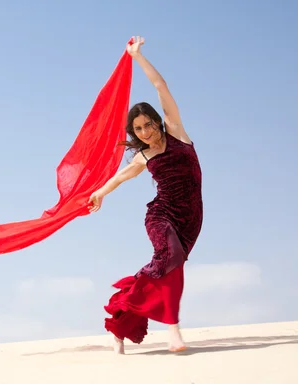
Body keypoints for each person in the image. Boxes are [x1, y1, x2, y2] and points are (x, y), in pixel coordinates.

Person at [88, 36, 203, 354]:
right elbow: (119, 177)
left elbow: (161, 86)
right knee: (171, 260)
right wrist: (99, 193)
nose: (144, 132)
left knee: (165, 269)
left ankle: (121, 314)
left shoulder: (177, 132)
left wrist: (137, 56)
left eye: (148, 124)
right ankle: (174, 331)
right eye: (137, 129)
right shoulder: (143, 158)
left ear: (157, 121)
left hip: (190, 218)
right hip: (161, 215)